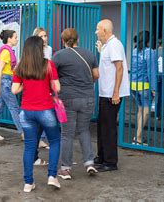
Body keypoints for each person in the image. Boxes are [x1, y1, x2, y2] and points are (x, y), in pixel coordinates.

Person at [12, 36, 61, 192]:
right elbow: (57, 88)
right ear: (40, 49)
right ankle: (52, 176)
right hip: (45, 110)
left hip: (26, 112)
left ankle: (28, 183)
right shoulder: (48, 65)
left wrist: (26, 86)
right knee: (54, 141)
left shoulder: (21, 67)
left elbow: (14, 90)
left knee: (29, 147)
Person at [52, 28, 99, 180]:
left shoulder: (58, 56)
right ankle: (89, 163)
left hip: (68, 99)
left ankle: (65, 169)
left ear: (62, 40)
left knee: (67, 134)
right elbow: (96, 75)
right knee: (84, 130)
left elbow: (52, 77)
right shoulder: (89, 54)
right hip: (88, 97)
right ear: (77, 39)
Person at [94, 19, 129, 172]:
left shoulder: (114, 44)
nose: (96, 32)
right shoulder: (109, 45)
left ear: (105, 31)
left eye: (98, 29)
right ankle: (102, 157)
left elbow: (119, 69)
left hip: (111, 94)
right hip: (106, 93)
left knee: (108, 128)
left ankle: (110, 162)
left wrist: (115, 92)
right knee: (102, 126)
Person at [0, 30, 23, 141]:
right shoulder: (6, 52)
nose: (17, 39)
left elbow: (11, 69)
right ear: (9, 39)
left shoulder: (8, 51)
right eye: (15, 37)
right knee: (14, 107)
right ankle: (24, 133)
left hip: (4, 81)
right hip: (4, 82)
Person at [130, 30, 157, 145]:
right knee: (146, 111)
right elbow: (152, 71)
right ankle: (138, 138)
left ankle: (138, 134)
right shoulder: (149, 52)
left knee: (140, 110)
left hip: (133, 84)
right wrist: (154, 88)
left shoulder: (134, 51)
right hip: (144, 85)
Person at [33, 27, 52, 149]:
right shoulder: (33, 50)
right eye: (41, 36)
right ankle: (38, 139)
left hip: (47, 84)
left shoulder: (49, 49)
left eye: (45, 36)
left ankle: (42, 138)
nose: (44, 39)